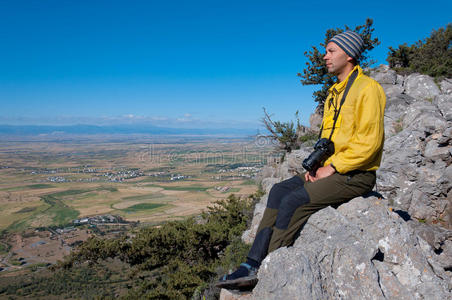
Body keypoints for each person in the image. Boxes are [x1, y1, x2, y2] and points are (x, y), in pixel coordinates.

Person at [217, 31, 386, 289]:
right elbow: (330, 138)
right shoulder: (334, 93)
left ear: (349, 55)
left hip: (356, 173)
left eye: (331, 51)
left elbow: (369, 143)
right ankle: (251, 262)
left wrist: (333, 167)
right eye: (326, 51)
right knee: (277, 191)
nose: (324, 56)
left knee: (294, 202)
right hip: (331, 168)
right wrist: (318, 165)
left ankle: (270, 267)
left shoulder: (368, 89)